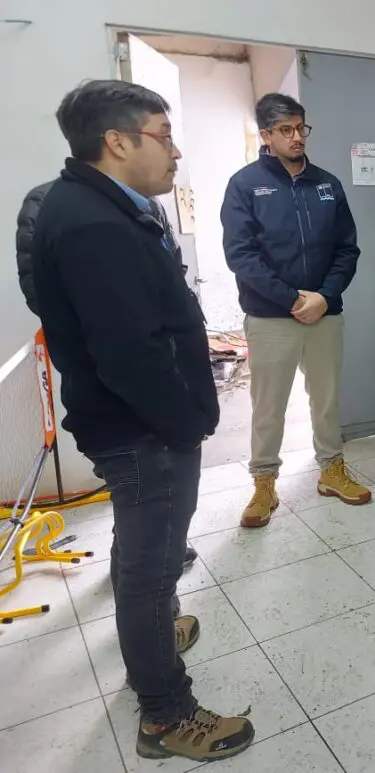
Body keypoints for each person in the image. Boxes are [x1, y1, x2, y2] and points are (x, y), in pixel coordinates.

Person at [31, 79, 253, 763]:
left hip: (129, 421)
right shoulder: (95, 223)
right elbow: (130, 354)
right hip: (143, 428)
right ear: (117, 141)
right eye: (164, 133)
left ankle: (149, 634)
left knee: (142, 551)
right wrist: (184, 422)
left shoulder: (86, 204)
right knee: (152, 568)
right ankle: (165, 714)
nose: (176, 150)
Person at [17, 180, 199, 571]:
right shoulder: (50, 203)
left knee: (157, 495)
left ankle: (157, 549)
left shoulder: (148, 204)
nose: (171, 152)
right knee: (138, 489)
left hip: (161, 374)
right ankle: (154, 607)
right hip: (108, 385)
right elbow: (42, 294)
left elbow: (173, 269)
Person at [221, 92, 370, 528]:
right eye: (285, 130)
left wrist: (323, 296)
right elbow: (241, 256)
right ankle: (264, 483)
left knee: (325, 400)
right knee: (269, 405)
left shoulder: (327, 184)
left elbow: (348, 249)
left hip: (325, 313)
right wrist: (290, 299)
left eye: (300, 128)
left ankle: (331, 470)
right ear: (265, 135)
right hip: (271, 318)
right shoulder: (245, 185)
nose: (296, 137)